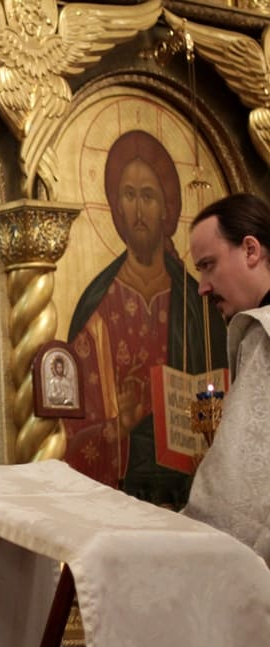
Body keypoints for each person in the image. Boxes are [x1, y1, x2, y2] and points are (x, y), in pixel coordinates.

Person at [65, 130, 227, 506]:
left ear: (167, 208)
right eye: (129, 195)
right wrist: (116, 425)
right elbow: (69, 428)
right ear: (116, 207)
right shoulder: (97, 307)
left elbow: (221, 385)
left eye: (149, 196)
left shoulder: (196, 300)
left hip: (196, 493)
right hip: (124, 495)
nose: (139, 211)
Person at [183, 192, 270, 563]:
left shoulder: (263, 335)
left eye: (208, 265)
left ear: (251, 250)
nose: (202, 286)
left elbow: (233, 498)